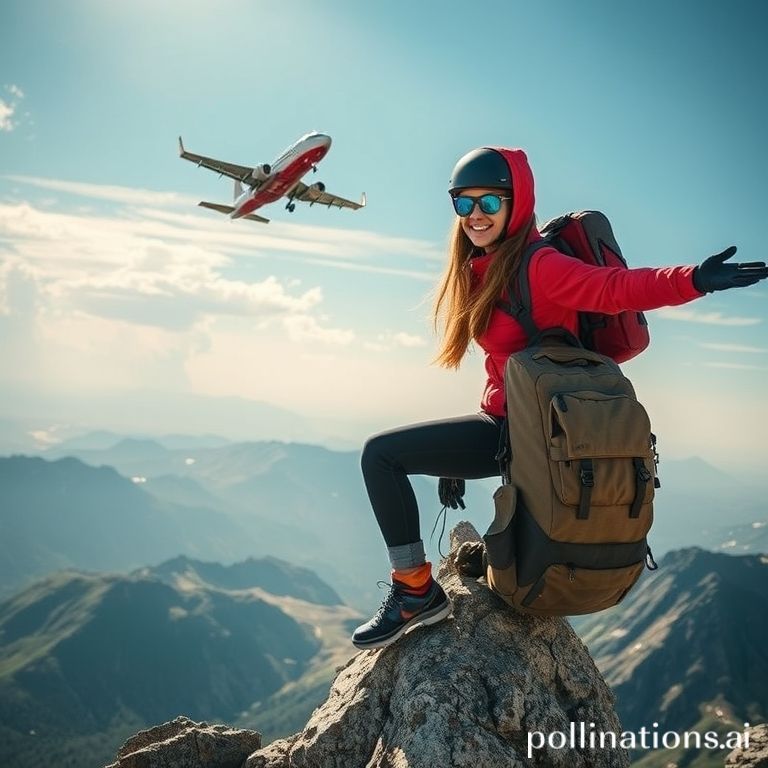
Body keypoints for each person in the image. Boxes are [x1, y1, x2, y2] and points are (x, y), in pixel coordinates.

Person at [351, 146, 768, 651]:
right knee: (389, 455)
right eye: (463, 204)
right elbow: (502, 367)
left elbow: (615, 289)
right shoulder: (483, 268)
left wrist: (695, 280)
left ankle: (414, 592)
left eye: (489, 202)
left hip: (536, 431)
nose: (475, 216)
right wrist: (452, 456)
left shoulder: (539, 265)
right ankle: (418, 590)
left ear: (517, 203)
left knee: (381, 455)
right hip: (520, 425)